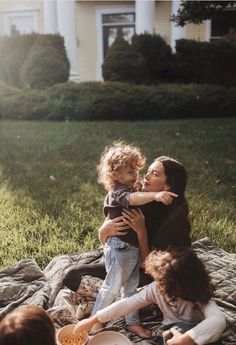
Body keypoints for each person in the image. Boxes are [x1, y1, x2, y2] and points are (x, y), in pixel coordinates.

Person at [63, 155, 192, 290]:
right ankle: (117, 298)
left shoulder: (172, 222)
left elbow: (147, 266)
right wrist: (104, 231)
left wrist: (141, 230)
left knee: (144, 287)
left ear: (168, 185)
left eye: (155, 174)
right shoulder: (134, 197)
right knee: (71, 275)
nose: (146, 177)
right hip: (123, 260)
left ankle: (120, 300)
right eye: (148, 171)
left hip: (148, 273)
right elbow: (108, 242)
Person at [90, 142, 178, 336]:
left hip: (131, 250)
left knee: (130, 290)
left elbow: (137, 194)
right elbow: (133, 199)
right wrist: (156, 195)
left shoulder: (129, 187)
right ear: (115, 175)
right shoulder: (118, 193)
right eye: (131, 171)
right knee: (112, 287)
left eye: (136, 170)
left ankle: (132, 322)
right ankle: (95, 320)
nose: (137, 176)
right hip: (120, 248)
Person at [73, 248, 226, 345]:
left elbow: (218, 320)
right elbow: (128, 304)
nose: (160, 289)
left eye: (165, 289)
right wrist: (94, 319)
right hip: (172, 332)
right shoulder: (156, 288)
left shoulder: (199, 296)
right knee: (169, 334)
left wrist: (187, 339)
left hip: (198, 334)